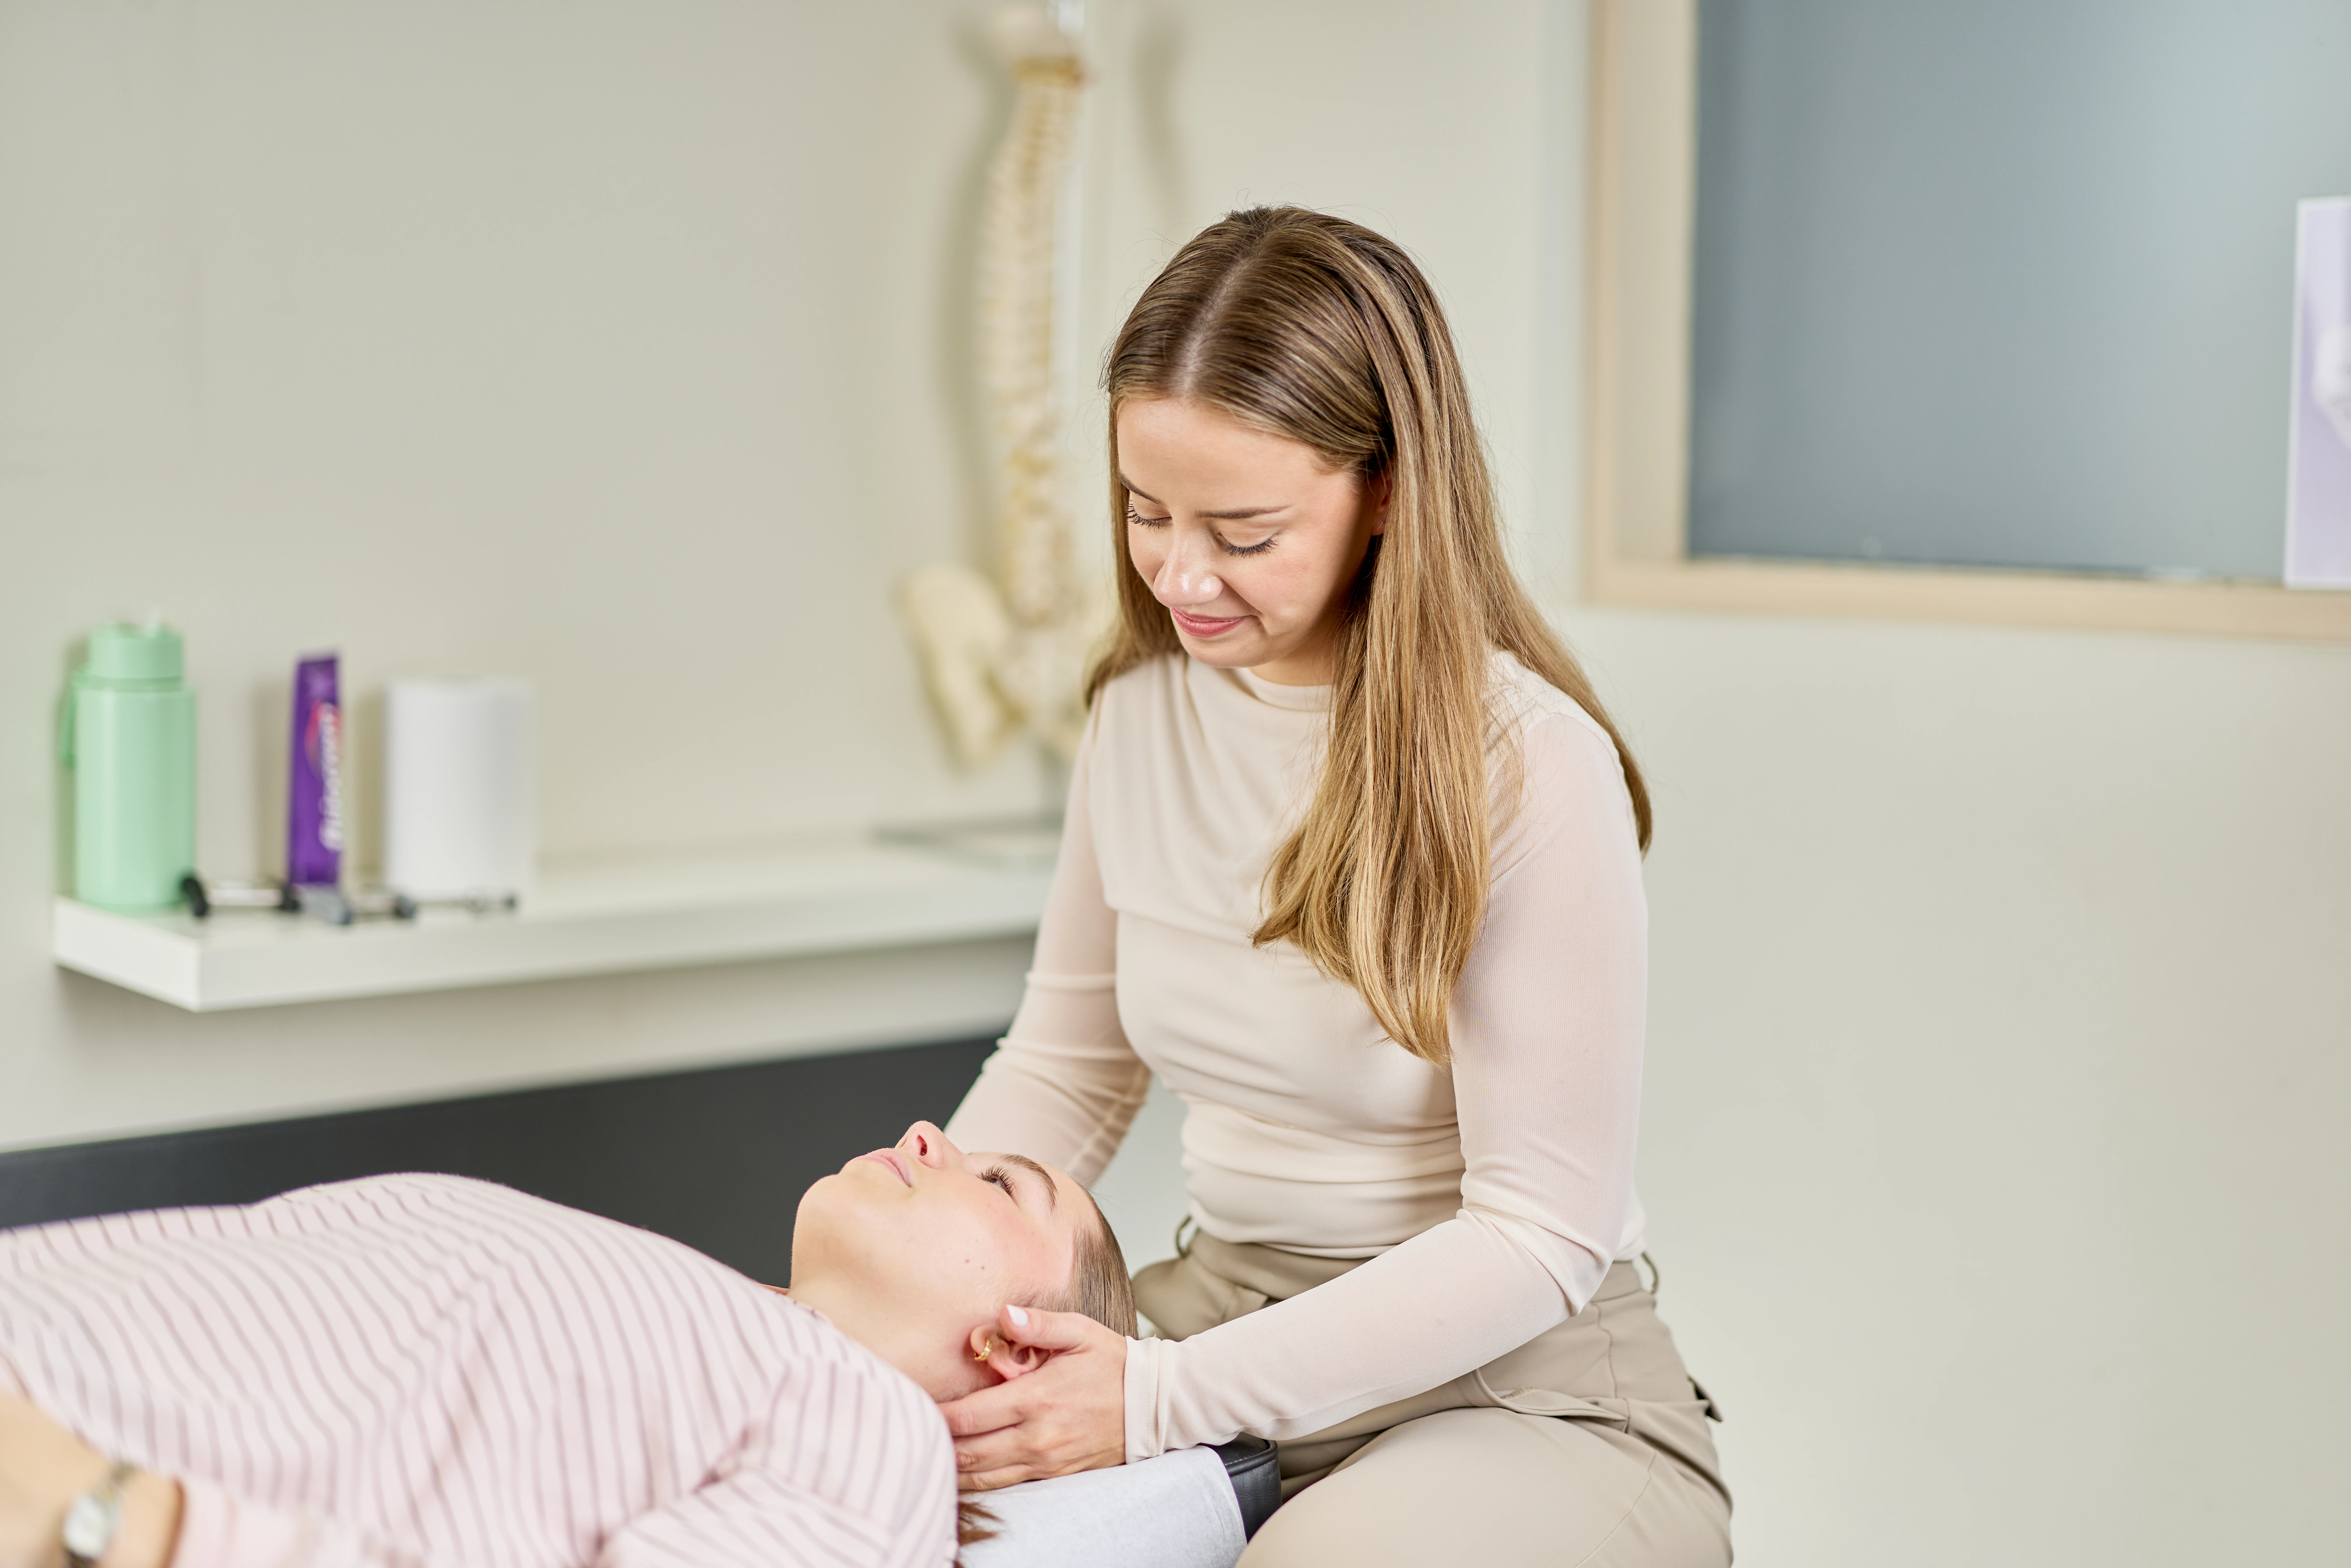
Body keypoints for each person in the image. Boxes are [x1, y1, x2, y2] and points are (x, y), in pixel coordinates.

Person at [937, 206, 1733, 1565]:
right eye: (1144, 510)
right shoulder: (1136, 717)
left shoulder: (1527, 765)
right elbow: (1070, 1069)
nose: (1178, 573)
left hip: (1516, 1376)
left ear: (1382, 497)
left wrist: (1157, 1401)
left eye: (1241, 532)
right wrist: (908, 1296)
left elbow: (1537, 1233)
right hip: (1218, 1318)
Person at [0, 1121, 1134, 1568]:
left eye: (1000, 1181)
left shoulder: (877, 1446)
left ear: (1022, 1351)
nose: (927, 1132)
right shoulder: (709, 1327)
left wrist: (116, 1519)